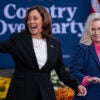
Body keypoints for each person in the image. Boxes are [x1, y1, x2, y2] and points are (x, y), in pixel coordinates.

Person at [0, 6, 86, 100]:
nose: (31, 21)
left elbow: (61, 71)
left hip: (45, 94)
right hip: (21, 94)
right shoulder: (18, 39)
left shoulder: (54, 43)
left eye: (35, 18)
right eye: (28, 19)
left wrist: (77, 85)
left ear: (44, 21)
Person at [70, 13, 100, 100]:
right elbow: (73, 71)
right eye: (93, 29)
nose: (96, 33)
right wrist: (87, 79)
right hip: (88, 95)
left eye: (99, 29)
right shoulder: (82, 48)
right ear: (88, 30)